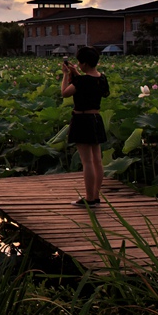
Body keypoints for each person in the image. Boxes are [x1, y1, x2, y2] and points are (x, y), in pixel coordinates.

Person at [61, 46, 110, 207]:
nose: (78, 64)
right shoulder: (102, 78)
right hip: (96, 118)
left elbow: (65, 93)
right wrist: (77, 75)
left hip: (82, 120)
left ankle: (89, 198)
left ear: (85, 63)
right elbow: (90, 83)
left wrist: (66, 75)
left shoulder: (81, 81)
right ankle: (95, 196)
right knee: (97, 160)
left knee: (87, 161)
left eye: (79, 62)